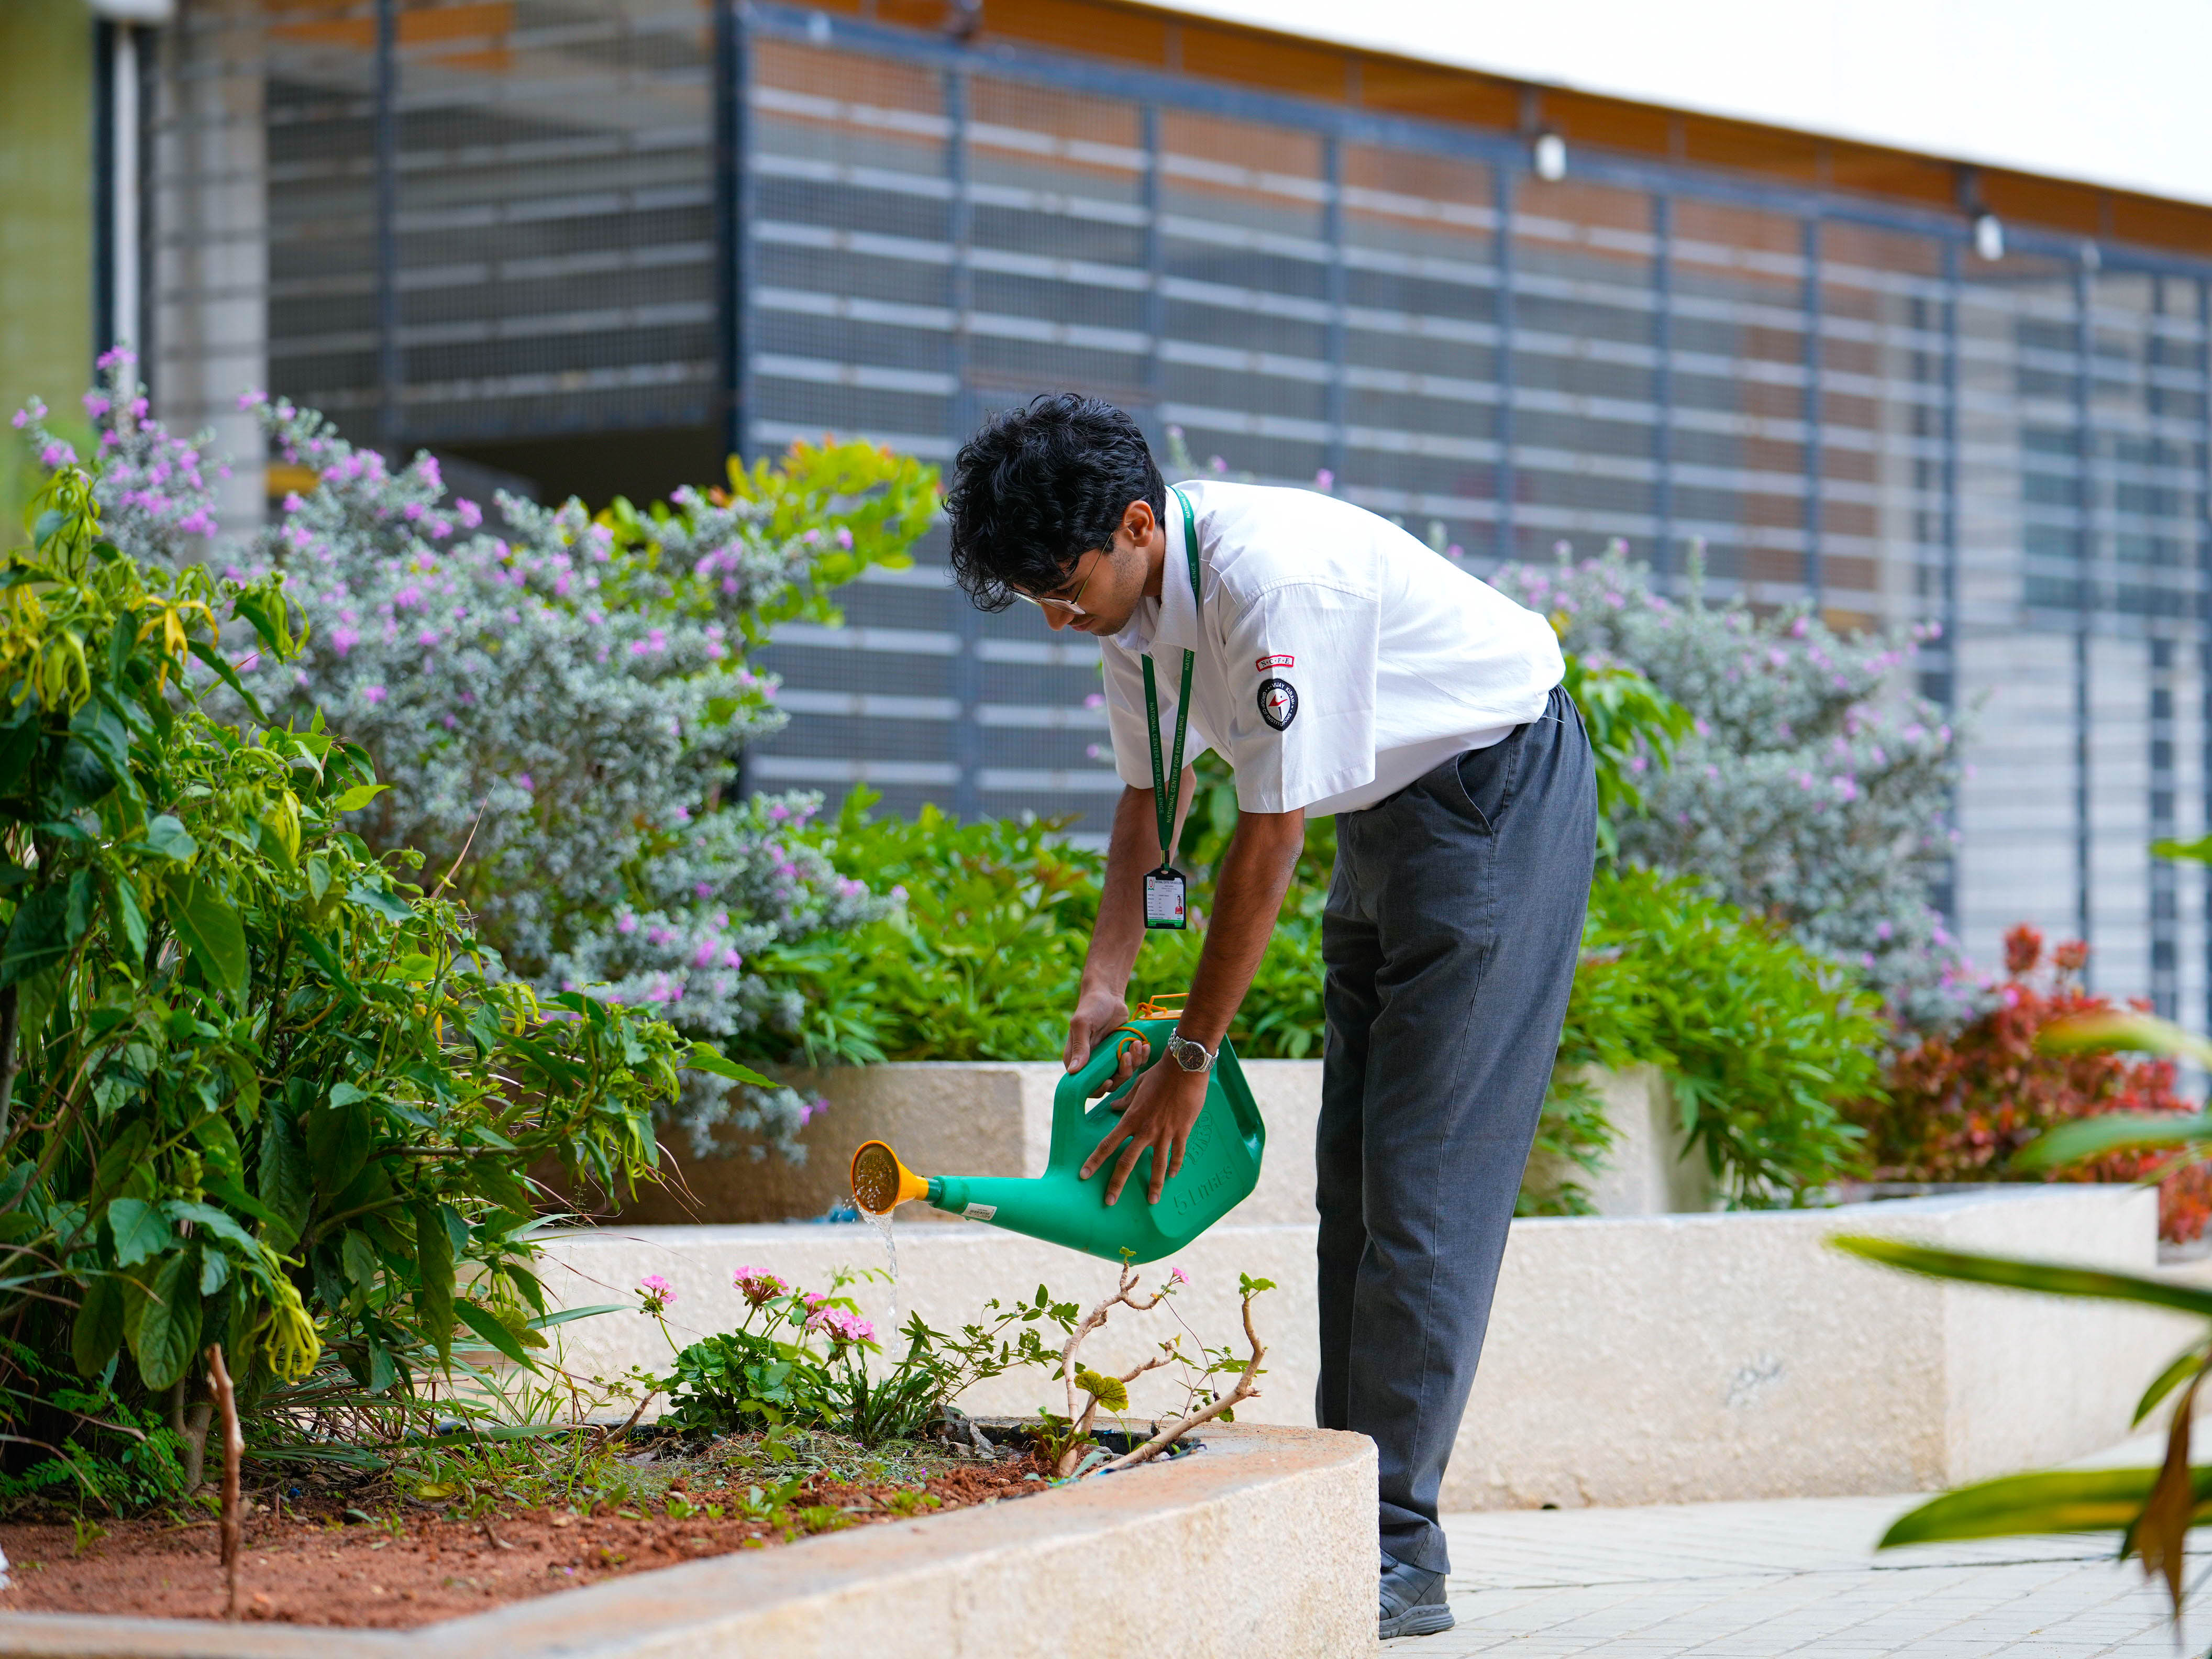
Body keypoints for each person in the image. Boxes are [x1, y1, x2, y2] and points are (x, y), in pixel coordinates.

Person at [943, 393, 1596, 1641]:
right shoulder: (1128, 605)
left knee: (1425, 1185)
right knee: (1349, 1177)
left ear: (1137, 523)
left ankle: (1398, 1551)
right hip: (1389, 810)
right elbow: (1151, 795)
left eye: (1062, 587)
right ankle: (1353, 1504)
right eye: (1032, 594)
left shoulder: (1271, 584)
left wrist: (1194, 1052)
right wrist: (1104, 973)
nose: (1054, 614)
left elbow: (1268, 832)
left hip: (1494, 794)